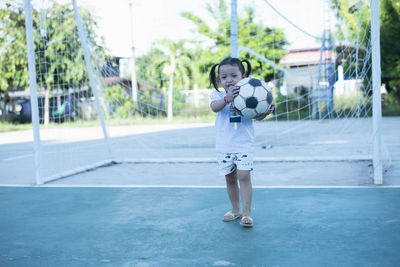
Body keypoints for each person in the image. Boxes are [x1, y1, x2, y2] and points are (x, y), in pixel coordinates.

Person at [209, 57, 274, 228]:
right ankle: (235, 209)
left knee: (244, 176)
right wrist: (227, 99)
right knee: (230, 179)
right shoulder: (218, 95)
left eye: (233, 75)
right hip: (224, 146)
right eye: (224, 77)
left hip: (243, 144)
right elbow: (214, 107)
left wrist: (265, 113)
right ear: (219, 80)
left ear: (243, 76)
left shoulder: (250, 93)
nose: (229, 80)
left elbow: (257, 116)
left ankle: (247, 213)